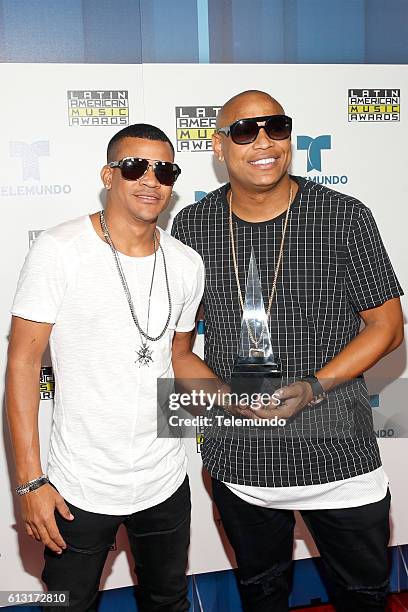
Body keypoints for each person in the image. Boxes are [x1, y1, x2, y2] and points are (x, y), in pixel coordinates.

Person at [171, 90, 404, 612]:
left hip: (338, 457)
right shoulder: (192, 226)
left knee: (365, 597)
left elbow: (388, 328)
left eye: (276, 128)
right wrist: (227, 401)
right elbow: (179, 349)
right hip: (241, 462)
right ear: (218, 145)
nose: (263, 142)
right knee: (261, 592)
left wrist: (312, 386)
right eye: (244, 131)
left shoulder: (343, 216)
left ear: (289, 137)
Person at [6, 123, 205, 612]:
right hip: (79, 487)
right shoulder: (60, 249)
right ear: (108, 175)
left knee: (169, 601)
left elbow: (179, 356)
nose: (151, 180)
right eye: (135, 166)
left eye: (165, 170)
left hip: (164, 482)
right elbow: (23, 364)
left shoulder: (186, 264)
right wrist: (31, 482)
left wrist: (242, 399)